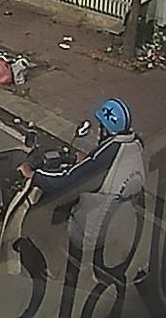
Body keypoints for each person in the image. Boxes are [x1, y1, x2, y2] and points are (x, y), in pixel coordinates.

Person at [18, 98, 145, 269]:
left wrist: (35, 175)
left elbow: (66, 180)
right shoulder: (134, 144)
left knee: (54, 209)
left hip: (92, 229)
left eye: (101, 126)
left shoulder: (108, 152)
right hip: (120, 222)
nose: (99, 131)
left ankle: (57, 266)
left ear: (106, 129)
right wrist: (88, 161)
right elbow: (104, 168)